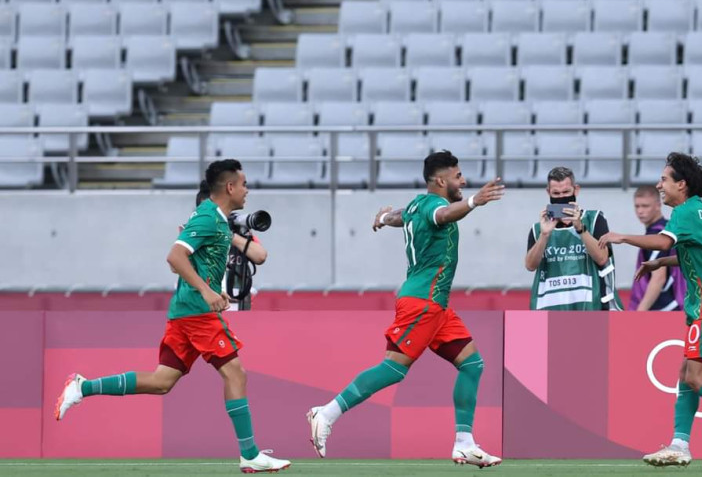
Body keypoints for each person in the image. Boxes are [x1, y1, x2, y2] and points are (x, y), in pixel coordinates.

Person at [55, 159, 290, 473]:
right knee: (236, 374)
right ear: (230, 187)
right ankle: (250, 455)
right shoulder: (207, 217)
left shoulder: (219, 221)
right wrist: (206, 292)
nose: (247, 190)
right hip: (197, 313)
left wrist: (214, 290)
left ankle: (82, 387)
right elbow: (174, 257)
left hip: (186, 311)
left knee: (161, 381)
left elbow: (205, 261)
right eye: (244, 184)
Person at [306, 151, 505, 468]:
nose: (464, 181)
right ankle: (326, 413)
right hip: (423, 302)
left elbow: (402, 216)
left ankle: (464, 443)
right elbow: (445, 215)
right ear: (440, 181)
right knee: (394, 369)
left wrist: (384, 218)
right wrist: (474, 202)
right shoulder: (436, 206)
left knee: (472, 364)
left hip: (436, 306)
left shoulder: (416, 205)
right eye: (457, 176)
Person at [598, 153, 702, 468]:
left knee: (695, 376)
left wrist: (622, 237)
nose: (659, 185)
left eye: (664, 179)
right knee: (686, 375)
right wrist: (661, 263)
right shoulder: (700, 209)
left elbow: (664, 242)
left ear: (682, 184)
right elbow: (699, 253)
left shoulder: (684, 212)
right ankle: (679, 444)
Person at [525, 166, 622, 311]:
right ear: (548, 192)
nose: (561, 197)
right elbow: (530, 265)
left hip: (591, 308)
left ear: (576, 190)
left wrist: (580, 228)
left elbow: (602, 258)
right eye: (556, 193)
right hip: (550, 310)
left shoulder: (594, 219)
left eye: (566, 192)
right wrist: (544, 235)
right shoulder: (538, 228)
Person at [195, 180, 267, 311]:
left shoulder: (237, 229)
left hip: (237, 300)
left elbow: (260, 256)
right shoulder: (194, 231)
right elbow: (176, 265)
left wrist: (230, 236)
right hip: (205, 303)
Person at [629, 185, 685, 311]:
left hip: (665, 308)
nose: (640, 211)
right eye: (637, 206)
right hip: (678, 305)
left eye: (645, 206)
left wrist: (638, 313)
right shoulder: (668, 228)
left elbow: (659, 278)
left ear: (658, 205)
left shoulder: (656, 234)